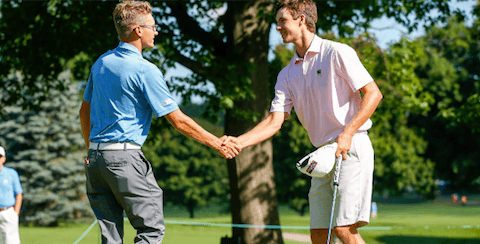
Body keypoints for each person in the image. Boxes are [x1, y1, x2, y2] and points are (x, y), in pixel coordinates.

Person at [222, 0, 383, 243]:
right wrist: (239, 142)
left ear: (300, 20)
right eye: (277, 22)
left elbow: (373, 94)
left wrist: (348, 133)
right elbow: (274, 122)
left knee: (343, 229)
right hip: (323, 156)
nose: (278, 27)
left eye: (282, 21)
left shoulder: (337, 52)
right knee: (319, 234)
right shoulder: (287, 74)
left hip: (351, 148)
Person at [79, 1, 239, 243]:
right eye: (153, 26)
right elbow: (178, 120)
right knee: (150, 230)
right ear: (137, 30)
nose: (156, 31)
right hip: (124, 160)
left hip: (96, 162)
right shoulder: (145, 70)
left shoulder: (101, 63)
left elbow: (84, 111)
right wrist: (217, 143)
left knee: (110, 237)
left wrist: (90, 148)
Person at [0, 146, 23, 244]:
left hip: (8, 213)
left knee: (11, 242)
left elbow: (18, 193)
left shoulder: (11, 173)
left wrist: (15, 212)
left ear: (3, 158)